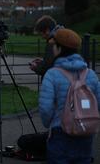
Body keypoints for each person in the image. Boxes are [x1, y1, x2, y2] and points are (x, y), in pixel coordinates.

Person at [38, 28, 100, 163]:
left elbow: (45, 108)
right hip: (86, 132)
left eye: (54, 46)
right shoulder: (91, 74)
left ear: (59, 49)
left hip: (60, 131)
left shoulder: (52, 74)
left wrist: (49, 123)